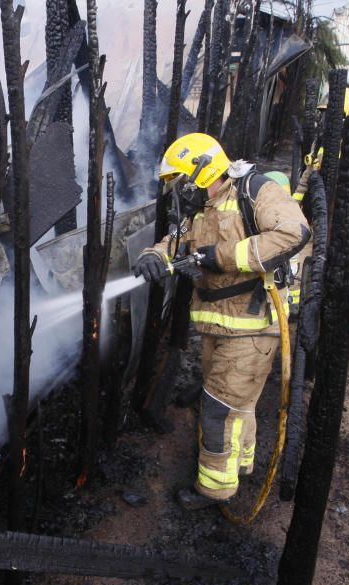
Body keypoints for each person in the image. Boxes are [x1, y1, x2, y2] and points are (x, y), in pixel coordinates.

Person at [133, 133, 310, 510]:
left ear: (203, 172)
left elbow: (295, 233)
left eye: (181, 182)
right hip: (220, 328)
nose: (178, 192)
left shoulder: (255, 192)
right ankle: (240, 463)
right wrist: (154, 254)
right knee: (236, 405)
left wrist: (221, 257)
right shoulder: (201, 210)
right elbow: (176, 242)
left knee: (217, 410)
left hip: (252, 328)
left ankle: (214, 489)